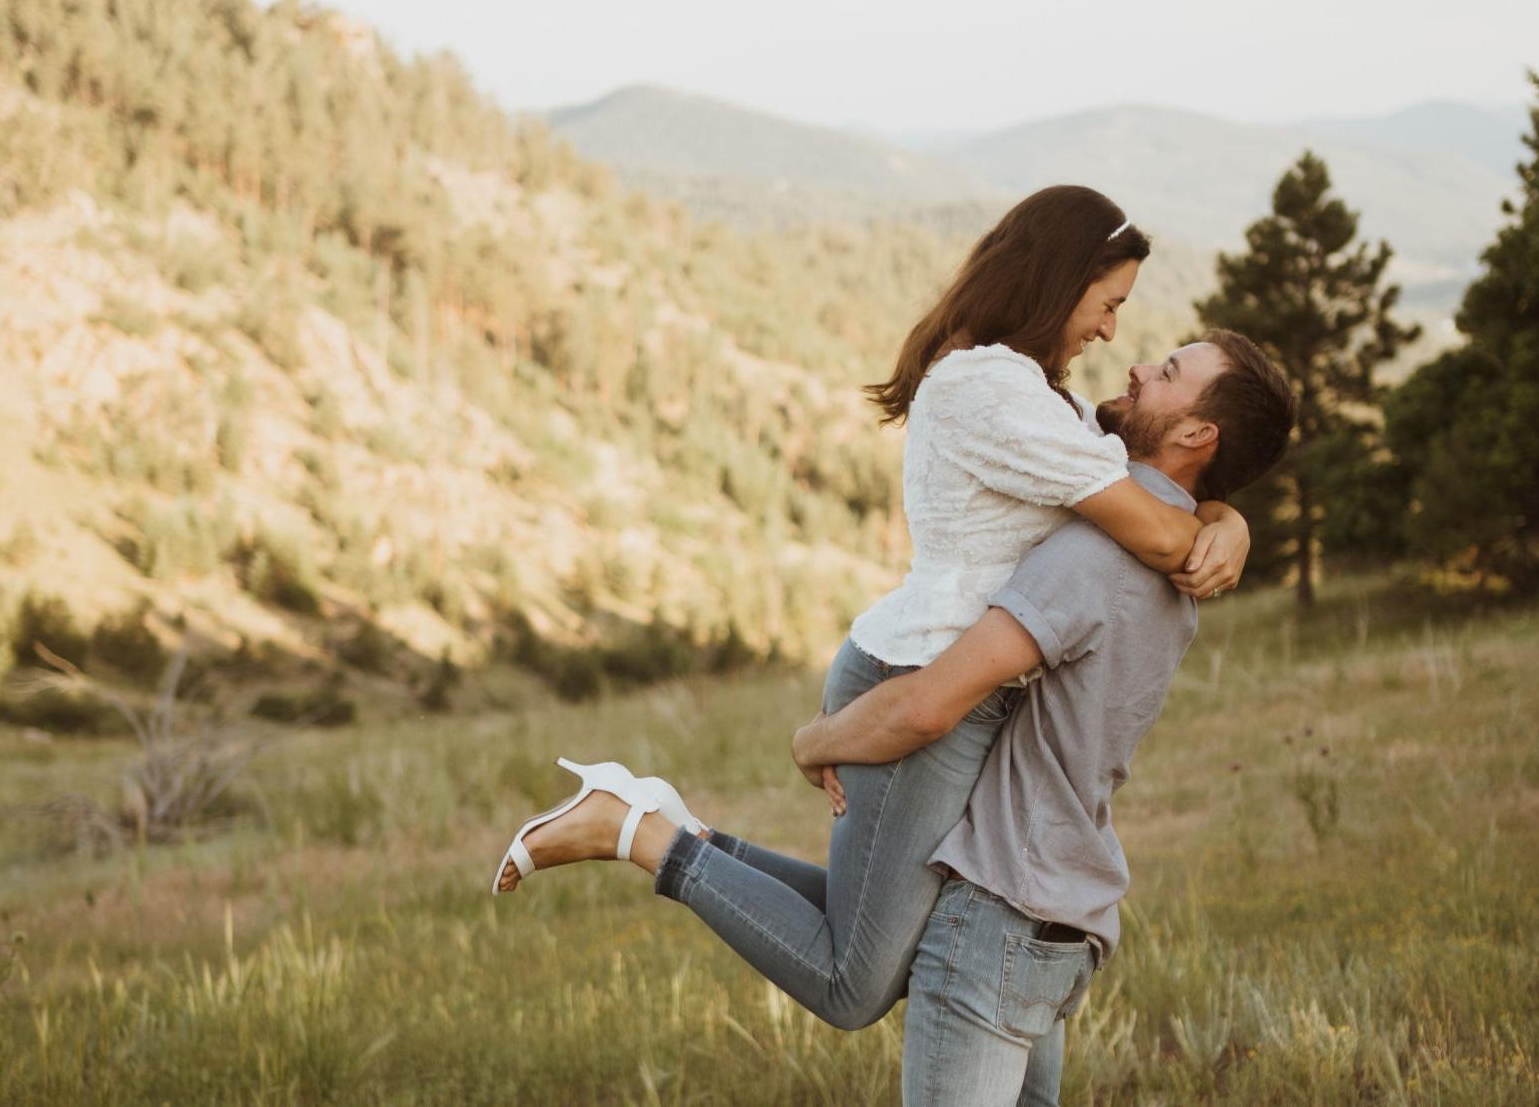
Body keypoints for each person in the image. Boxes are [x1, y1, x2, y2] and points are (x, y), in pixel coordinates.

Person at [492, 186, 1250, 1032]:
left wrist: (1227, 516)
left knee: (882, 937)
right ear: (1058, 281)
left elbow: (1142, 484)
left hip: (948, 676)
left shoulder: (1036, 394)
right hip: (919, 679)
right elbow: (1156, 527)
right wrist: (1221, 528)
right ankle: (631, 830)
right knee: (852, 983)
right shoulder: (989, 389)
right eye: (1107, 303)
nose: (1110, 331)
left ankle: (676, 831)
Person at [793, 329, 1296, 1104]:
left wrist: (814, 740)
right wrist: (1229, 518)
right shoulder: (1183, 555)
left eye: (1166, 372)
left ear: (1198, 434)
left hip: (995, 917)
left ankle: (654, 838)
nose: (1136, 364)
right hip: (1060, 914)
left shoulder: (1092, 557)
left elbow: (928, 703)